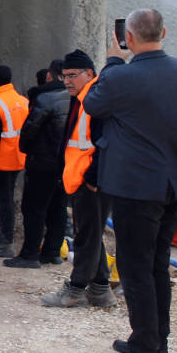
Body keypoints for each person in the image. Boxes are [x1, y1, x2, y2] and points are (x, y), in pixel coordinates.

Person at [87, 9, 177, 353]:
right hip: (175, 184)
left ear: (130, 40)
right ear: (165, 32)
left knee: (135, 266)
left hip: (137, 188)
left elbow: (92, 104)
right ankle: (158, 342)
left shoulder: (123, 76)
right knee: (157, 263)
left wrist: (111, 60)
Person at [40, 50, 118, 308]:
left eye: (72, 76)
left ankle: (75, 289)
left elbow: (104, 141)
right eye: (64, 76)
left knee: (87, 235)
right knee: (91, 232)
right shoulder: (84, 97)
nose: (67, 81)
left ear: (89, 74)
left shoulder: (96, 100)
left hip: (90, 179)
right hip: (82, 176)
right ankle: (100, 289)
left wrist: (93, 175)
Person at [5, 60, 71, 270]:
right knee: (58, 208)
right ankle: (51, 252)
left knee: (34, 208)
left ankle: (30, 254)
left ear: (50, 76)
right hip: (66, 163)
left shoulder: (45, 98)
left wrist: (26, 148)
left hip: (42, 162)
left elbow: (30, 129)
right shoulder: (77, 98)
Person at [0, 65, 28, 258]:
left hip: (2, 160)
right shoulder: (23, 101)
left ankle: (6, 242)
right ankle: (7, 239)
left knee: (4, 201)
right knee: (8, 198)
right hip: (19, 157)